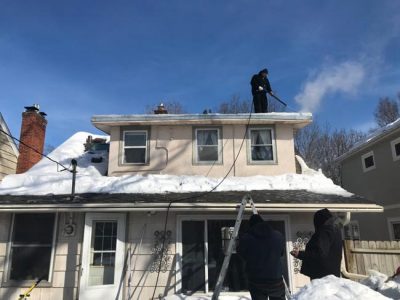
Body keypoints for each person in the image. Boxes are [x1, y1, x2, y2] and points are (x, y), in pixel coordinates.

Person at [238, 214, 285, 300]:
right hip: (275, 279)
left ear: (251, 225)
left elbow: (242, 254)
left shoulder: (246, 238)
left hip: (256, 280)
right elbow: (281, 253)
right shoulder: (278, 236)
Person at [290, 208, 343, 280]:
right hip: (332, 276)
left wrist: (300, 254)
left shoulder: (325, 232)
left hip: (323, 277)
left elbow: (320, 254)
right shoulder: (335, 230)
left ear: (319, 221)